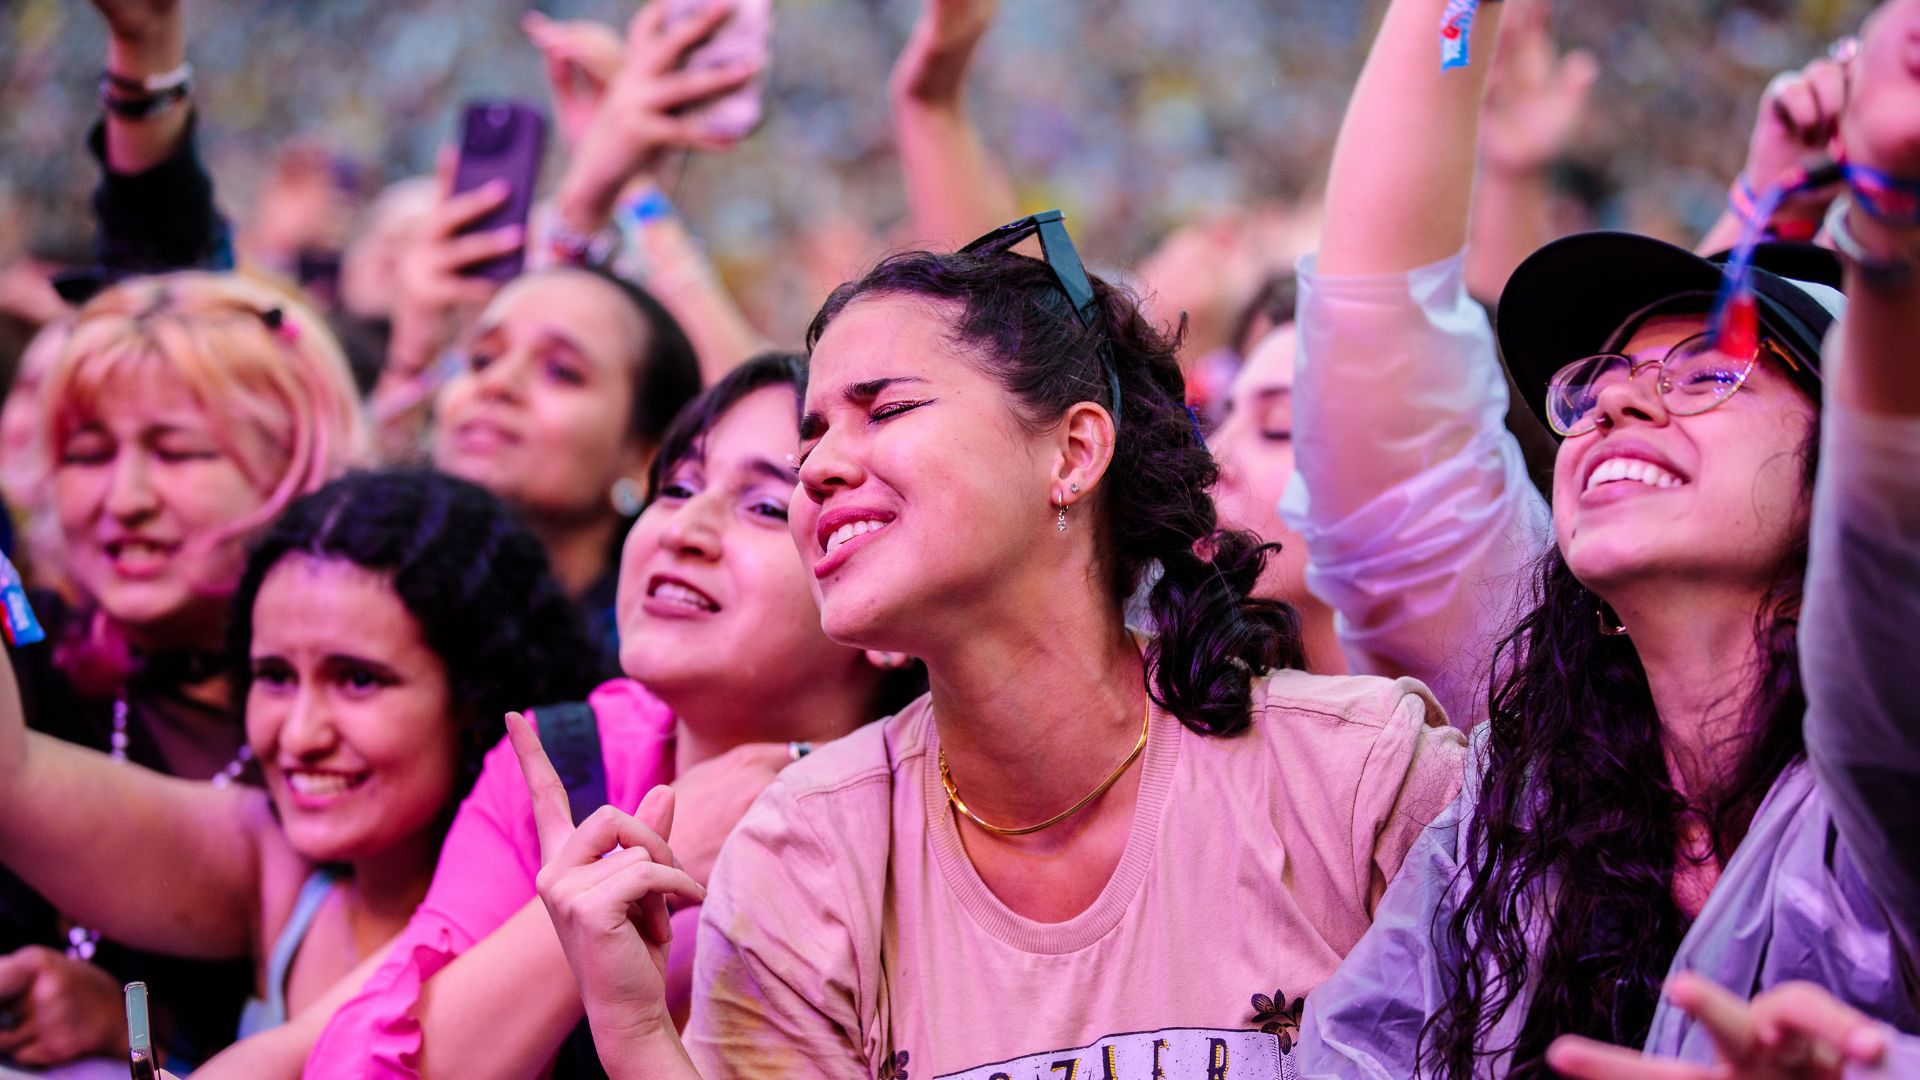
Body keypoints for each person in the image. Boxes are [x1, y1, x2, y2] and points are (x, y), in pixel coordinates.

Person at [513, 212, 1466, 1079]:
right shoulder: (808, 852)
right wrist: (637, 1035)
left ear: (1073, 452)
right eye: (810, 446)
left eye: (884, 411)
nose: (821, 472)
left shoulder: (1361, 778)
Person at [1286, 0, 1920, 1074]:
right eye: (1598, 384)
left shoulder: (1891, 753)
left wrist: (1890, 226)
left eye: (1709, 372)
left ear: (1840, 474)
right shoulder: (1519, 810)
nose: (1619, 405)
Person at [296, 354, 917, 1079]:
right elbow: (351, 1065)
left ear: (884, 620)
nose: (684, 527)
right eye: (677, 485)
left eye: (767, 506)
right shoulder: (569, 761)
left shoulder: (938, 818)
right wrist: (606, 893)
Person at [0, 469, 605, 1077]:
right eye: (275, 676)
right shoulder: (278, 866)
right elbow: (14, 780)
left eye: (357, 679)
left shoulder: (560, 906)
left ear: (476, 695)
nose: (299, 735)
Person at [0, 270, 367, 1072]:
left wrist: (128, 1023)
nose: (123, 499)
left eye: (176, 452)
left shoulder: (364, 728)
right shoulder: (34, 668)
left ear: (289, 467)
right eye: (88, 454)